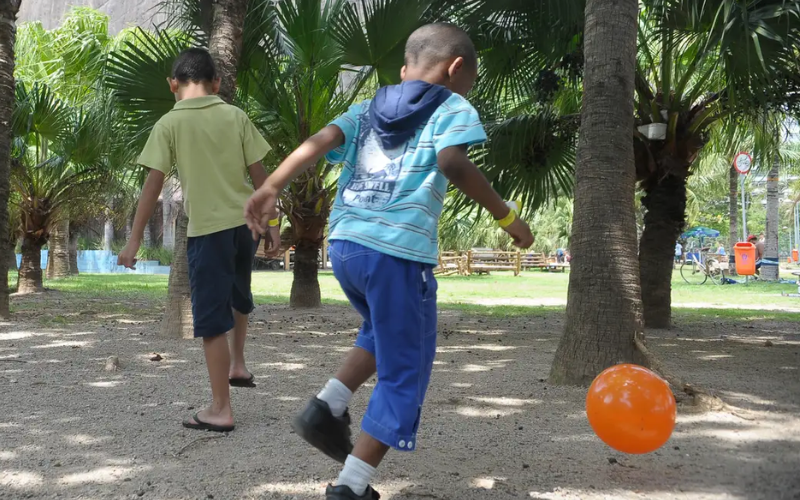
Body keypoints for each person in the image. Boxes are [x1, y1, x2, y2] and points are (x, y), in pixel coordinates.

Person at [244, 23, 534, 500]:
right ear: (457, 68)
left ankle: (327, 407)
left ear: (404, 69)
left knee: (381, 331)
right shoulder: (453, 106)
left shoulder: (368, 106)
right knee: (406, 369)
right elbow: (453, 164)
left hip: (346, 247)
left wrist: (272, 185)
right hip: (397, 254)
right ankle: (351, 485)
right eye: (471, 80)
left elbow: (319, 140)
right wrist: (506, 217)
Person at [117, 48, 278, 432]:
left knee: (209, 321)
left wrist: (134, 240)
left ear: (173, 84)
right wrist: (271, 223)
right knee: (239, 296)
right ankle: (238, 364)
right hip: (246, 228)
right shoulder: (236, 116)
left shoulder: (169, 123)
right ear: (217, 84)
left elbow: (151, 185)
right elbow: (262, 176)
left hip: (208, 231)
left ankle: (220, 409)